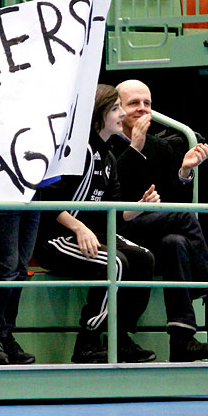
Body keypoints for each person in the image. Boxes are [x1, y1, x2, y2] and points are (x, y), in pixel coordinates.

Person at [109, 79, 208, 362]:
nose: (142, 109)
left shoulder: (158, 146)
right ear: (117, 108)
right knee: (183, 216)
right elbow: (112, 193)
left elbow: (170, 197)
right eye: (134, 103)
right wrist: (134, 148)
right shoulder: (106, 142)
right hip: (117, 227)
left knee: (176, 241)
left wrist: (184, 172)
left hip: (152, 230)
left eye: (147, 103)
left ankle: (182, 338)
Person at [35, 84, 158, 364]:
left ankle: (120, 336)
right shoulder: (74, 153)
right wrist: (78, 228)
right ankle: (87, 342)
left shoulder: (110, 157)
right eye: (114, 109)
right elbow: (47, 200)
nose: (120, 114)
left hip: (92, 234)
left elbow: (111, 211)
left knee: (144, 259)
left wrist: (138, 208)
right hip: (55, 238)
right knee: (114, 264)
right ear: (97, 114)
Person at [0, 200, 40, 364]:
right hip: (8, 195)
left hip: (34, 196)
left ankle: (5, 336)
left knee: (20, 271)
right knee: (7, 271)